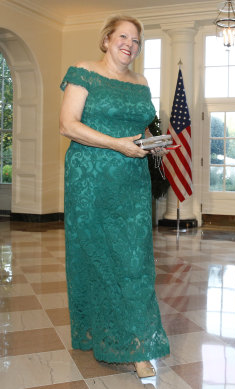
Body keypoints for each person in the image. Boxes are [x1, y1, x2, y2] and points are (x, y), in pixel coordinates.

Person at [59, 15, 169, 378]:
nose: (130, 44)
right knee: (96, 256)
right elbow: (68, 124)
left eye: (136, 40)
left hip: (131, 179)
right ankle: (104, 334)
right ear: (106, 40)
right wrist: (116, 145)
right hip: (89, 178)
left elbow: (140, 127)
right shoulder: (83, 70)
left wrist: (152, 145)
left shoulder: (141, 81)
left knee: (134, 260)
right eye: (123, 36)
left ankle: (137, 343)